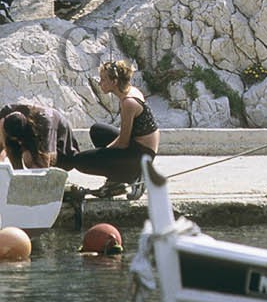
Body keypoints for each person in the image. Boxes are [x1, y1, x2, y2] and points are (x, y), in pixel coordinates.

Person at [57, 59, 159, 198]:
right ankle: (116, 181)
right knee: (97, 130)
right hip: (140, 148)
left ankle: (135, 176)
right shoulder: (131, 91)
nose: (100, 83)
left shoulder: (129, 103)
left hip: (140, 156)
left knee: (80, 161)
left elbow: (123, 143)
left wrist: (101, 153)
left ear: (114, 81)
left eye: (103, 79)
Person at [0, 103, 78, 168]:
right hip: (28, 132)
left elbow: (45, 165)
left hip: (61, 146)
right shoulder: (6, 113)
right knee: (10, 146)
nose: (19, 143)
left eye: (19, 140)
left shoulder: (44, 123)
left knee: (29, 160)